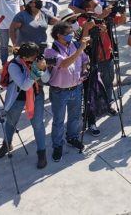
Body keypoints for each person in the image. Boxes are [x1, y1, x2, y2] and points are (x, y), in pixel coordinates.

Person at [0, 42, 49, 169]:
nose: (36, 59)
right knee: (11, 122)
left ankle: (41, 152)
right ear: (25, 57)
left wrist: (44, 69)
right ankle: (6, 145)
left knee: (38, 125)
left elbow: (46, 79)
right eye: (33, 57)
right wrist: (36, 71)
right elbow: (24, 86)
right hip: (17, 98)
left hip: (36, 96)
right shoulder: (14, 65)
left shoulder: (37, 61)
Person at [44, 22, 89, 161]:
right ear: (59, 35)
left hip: (76, 88)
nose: (72, 35)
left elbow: (85, 59)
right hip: (59, 92)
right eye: (68, 33)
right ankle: (57, 146)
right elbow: (64, 64)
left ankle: (72, 137)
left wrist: (85, 69)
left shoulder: (74, 45)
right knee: (58, 120)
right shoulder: (50, 50)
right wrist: (80, 49)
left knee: (75, 117)